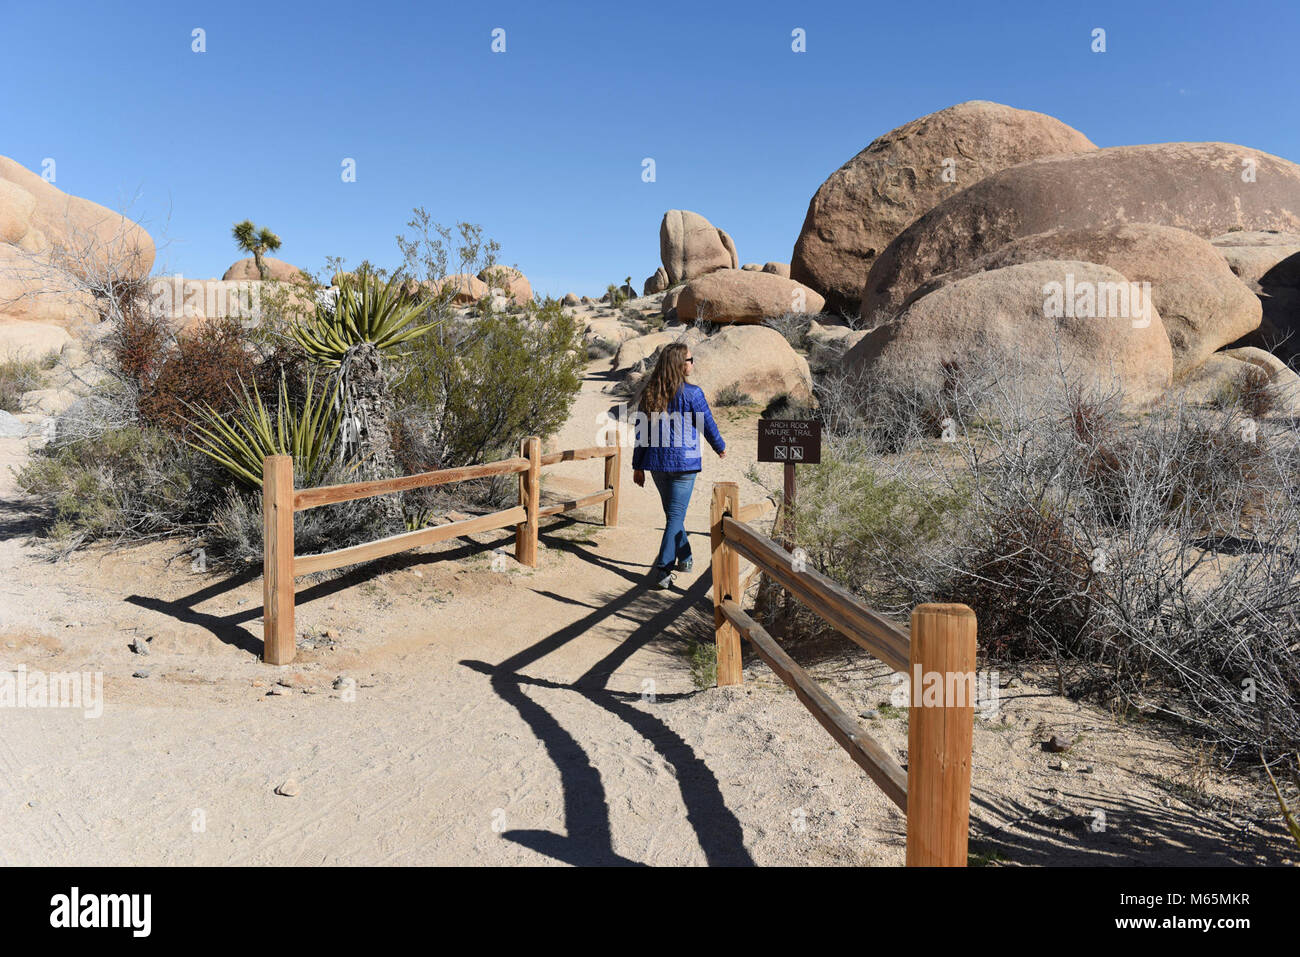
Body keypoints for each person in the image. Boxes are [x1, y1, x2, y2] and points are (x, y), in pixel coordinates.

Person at [631, 342, 726, 589]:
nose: (692, 364)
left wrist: (638, 465)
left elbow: (641, 433)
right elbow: (708, 424)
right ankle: (663, 570)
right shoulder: (693, 393)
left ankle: (685, 558)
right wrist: (720, 447)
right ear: (679, 365)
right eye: (689, 360)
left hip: (657, 464)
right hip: (684, 464)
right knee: (675, 517)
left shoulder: (650, 393)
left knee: (674, 515)